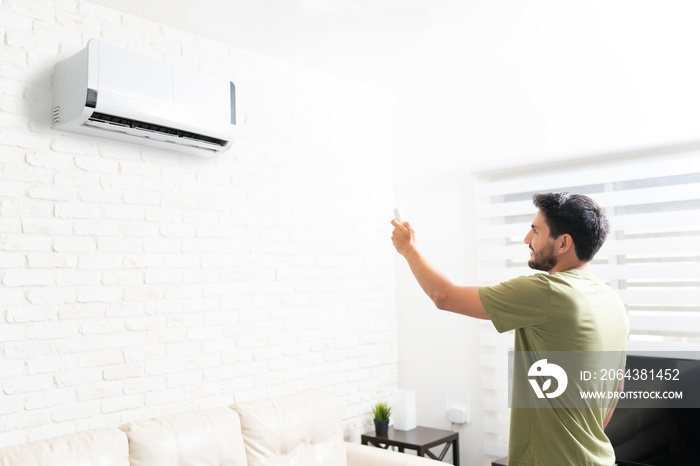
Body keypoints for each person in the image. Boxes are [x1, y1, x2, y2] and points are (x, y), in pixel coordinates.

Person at [391, 192, 629, 466]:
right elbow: (615, 387)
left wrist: (408, 249)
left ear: (564, 242)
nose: (527, 239)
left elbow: (443, 296)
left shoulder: (549, 291)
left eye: (535, 230)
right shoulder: (612, 301)